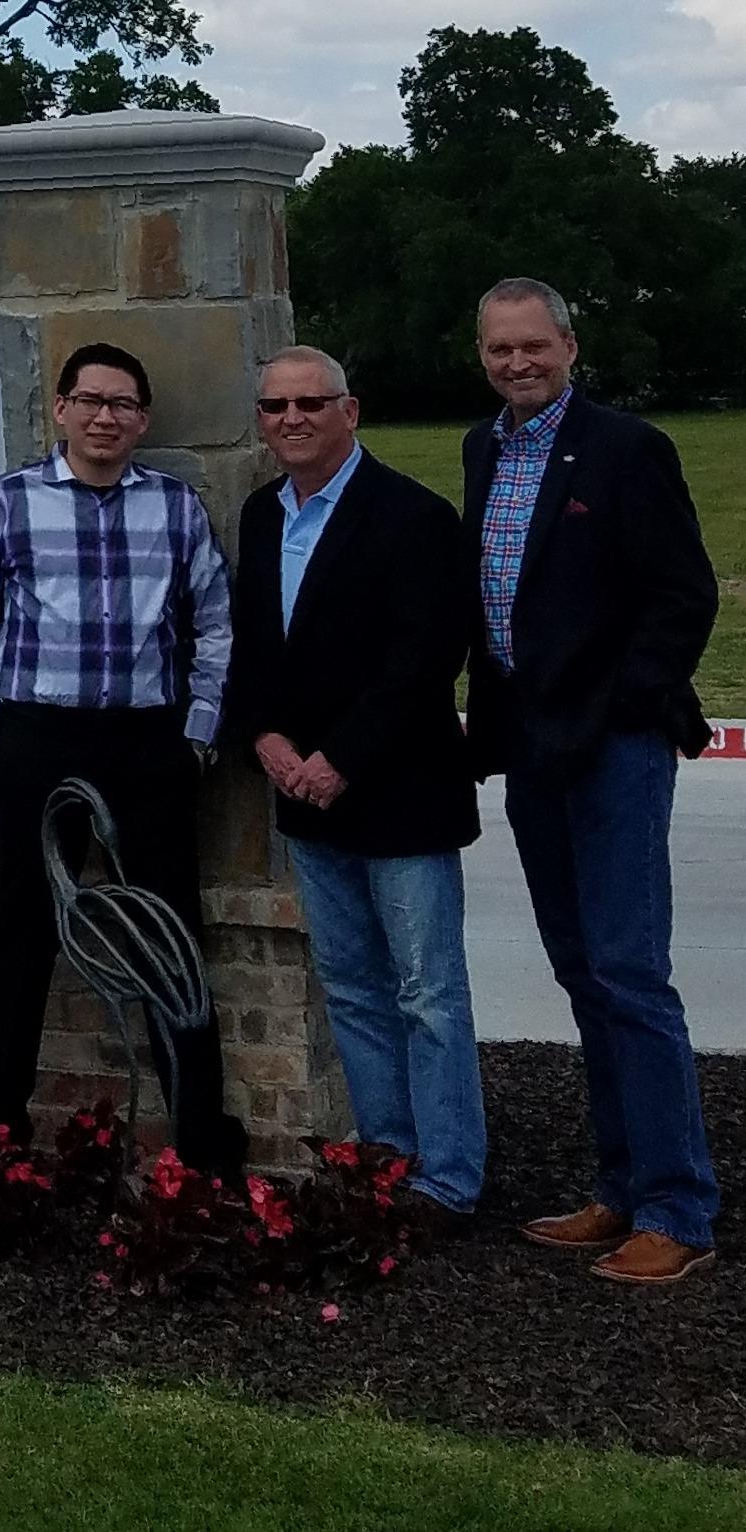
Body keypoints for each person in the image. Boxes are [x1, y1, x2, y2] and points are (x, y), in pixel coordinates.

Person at [0, 342, 249, 1177]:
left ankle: (198, 1155)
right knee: (24, 934)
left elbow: (217, 625)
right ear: (61, 410)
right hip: (37, 740)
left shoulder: (174, 508)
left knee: (169, 938)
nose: (105, 417)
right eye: (91, 401)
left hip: (148, 744)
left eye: (123, 404)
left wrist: (197, 734)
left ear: (142, 420)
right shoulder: (7, 502)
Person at [464, 278, 722, 1284]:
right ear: (482, 355)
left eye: (534, 345)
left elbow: (682, 594)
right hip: (530, 746)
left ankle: (676, 1207)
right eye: (500, 348)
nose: (517, 363)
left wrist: (627, 703)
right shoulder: (483, 449)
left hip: (612, 746)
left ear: (569, 346)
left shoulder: (626, 448)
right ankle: (620, 1185)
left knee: (629, 973)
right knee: (581, 972)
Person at [225, 346, 485, 1223]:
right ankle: (384, 1160)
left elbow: (424, 656)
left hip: (399, 793)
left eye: (310, 402)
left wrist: (341, 758)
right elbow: (252, 643)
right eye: (274, 407)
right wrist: (263, 737)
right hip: (303, 796)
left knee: (427, 995)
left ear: (350, 410)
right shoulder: (261, 515)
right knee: (350, 989)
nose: (291, 419)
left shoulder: (413, 515)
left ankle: (447, 1178)